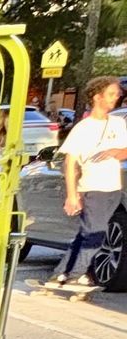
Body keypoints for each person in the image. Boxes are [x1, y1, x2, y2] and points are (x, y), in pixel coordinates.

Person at [46, 74, 127, 295]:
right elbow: (70, 162)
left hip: (113, 187)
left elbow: (125, 150)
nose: (115, 98)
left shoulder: (118, 124)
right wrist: (72, 195)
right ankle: (75, 275)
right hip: (93, 186)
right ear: (97, 96)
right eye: (111, 94)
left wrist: (115, 152)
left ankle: (59, 273)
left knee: (87, 232)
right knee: (96, 233)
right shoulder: (84, 128)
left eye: (117, 95)